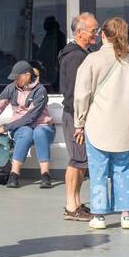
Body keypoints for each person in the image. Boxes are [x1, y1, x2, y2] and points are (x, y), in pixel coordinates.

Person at [72, 16, 129, 230]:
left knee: (98, 170)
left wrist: (79, 122)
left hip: (97, 124)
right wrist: (124, 110)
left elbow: (81, 95)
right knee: (123, 169)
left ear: (102, 34)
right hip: (123, 125)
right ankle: (126, 215)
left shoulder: (92, 60)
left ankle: (99, 215)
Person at [0, 60, 55, 189]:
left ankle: (45, 174)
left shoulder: (40, 90)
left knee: (40, 132)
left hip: (42, 125)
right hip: (20, 127)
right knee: (25, 133)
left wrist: (5, 127)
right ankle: (14, 174)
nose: (15, 80)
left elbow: (31, 117)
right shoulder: (11, 88)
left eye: (17, 77)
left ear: (27, 75)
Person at [57, 12, 98, 221]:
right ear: (80, 33)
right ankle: (71, 206)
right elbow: (75, 92)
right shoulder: (76, 56)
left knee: (81, 161)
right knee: (77, 160)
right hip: (75, 116)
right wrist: (79, 124)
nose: (97, 35)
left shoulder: (81, 53)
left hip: (77, 116)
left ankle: (76, 203)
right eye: (93, 31)